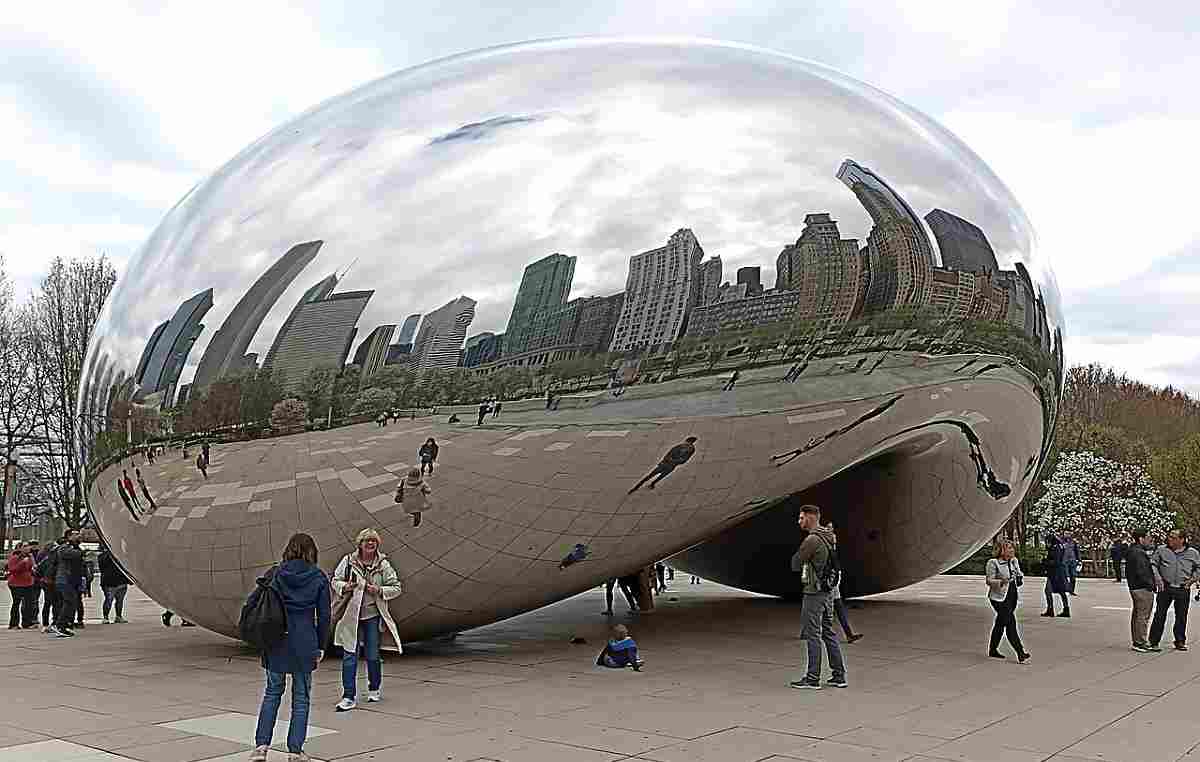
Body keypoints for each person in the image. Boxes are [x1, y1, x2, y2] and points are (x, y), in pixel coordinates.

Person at [249, 533, 331, 762]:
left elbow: (258, 600)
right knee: (302, 697)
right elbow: (324, 616)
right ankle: (295, 751)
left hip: (277, 639)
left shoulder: (275, 573)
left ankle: (261, 747)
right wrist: (321, 644)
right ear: (311, 551)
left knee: (272, 693)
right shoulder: (318, 577)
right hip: (305, 641)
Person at [331, 529, 403, 712]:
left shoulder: (383, 564)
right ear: (360, 544)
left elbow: (396, 587)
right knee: (350, 656)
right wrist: (345, 586)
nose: (370, 544)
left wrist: (378, 590)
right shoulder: (348, 561)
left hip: (372, 616)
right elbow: (335, 580)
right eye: (367, 541)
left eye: (374, 541)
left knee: (372, 655)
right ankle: (348, 696)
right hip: (351, 616)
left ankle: (374, 687)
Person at [789, 504, 847, 690]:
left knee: (812, 634)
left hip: (814, 592)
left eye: (801, 518)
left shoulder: (812, 539)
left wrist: (801, 556)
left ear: (811, 517)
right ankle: (839, 675)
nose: (799, 521)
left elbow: (795, 564)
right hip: (828, 592)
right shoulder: (829, 537)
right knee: (828, 632)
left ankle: (812, 678)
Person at [1148, 529, 1200, 652]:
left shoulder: (1192, 553)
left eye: (1173, 537)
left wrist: (1192, 580)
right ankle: (1154, 641)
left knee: (1181, 616)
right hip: (1165, 587)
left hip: (1183, 588)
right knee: (1160, 615)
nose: (1169, 539)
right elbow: (1153, 564)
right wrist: (1158, 579)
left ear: (1182, 539)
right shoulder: (1161, 550)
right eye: (1169, 537)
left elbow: (1198, 567)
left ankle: (1180, 641)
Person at [985, 540, 1030, 663]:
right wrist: (1001, 581)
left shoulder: (1014, 561)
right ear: (1001, 550)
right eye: (1008, 548)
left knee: (1000, 623)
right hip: (998, 597)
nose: (1011, 550)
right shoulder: (993, 563)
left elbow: (1019, 578)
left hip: (1012, 596)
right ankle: (1020, 652)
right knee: (1010, 622)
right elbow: (989, 581)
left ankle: (992, 649)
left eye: (1012, 548)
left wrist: (1019, 576)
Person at [628, 437, 698, 493]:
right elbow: (668, 454)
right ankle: (636, 487)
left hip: (671, 466)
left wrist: (674, 461)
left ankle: (652, 484)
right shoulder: (679, 446)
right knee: (649, 476)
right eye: (686, 442)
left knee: (661, 477)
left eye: (688, 443)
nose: (686, 444)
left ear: (691, 443)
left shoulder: (691, 450)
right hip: (664, 464)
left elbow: (684, 460)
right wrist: (667, 461)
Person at [1126, 528, 1158, 652]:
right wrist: (1151, 585)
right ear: (1141, 539)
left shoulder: (1133, 550)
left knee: (1138, 614)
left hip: (1135, 587)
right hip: (1142, 588)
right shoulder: (1138, 553)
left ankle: (1137, 641)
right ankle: (1141, 642)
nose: (1150, 540)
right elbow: (1142, 572)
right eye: (1148, 537)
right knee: (1143, 616)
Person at [52, 529, 84, 638]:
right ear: (69, 536)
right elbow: (71, 554)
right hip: (65, 580)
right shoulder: (64, 547)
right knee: (69, 602)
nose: (79, 536)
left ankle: (64, 626)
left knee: (72, 603)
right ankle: (60, 626)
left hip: (71, 580)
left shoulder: (75, 547)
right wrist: (81, 553)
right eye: (76, 534)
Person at [7, 542, 36, 629]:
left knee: (29, 604)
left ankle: (27, 623)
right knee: (16, 603)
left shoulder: (29, 557)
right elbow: (12, 570)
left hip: (28, 583)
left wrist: (32, 563)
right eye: (25, 546)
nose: (28, 548)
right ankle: (14, 624)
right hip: (16, 584)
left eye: (28, 546)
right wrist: (22, 562)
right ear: (19, 548)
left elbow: (31, 568)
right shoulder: (14, 557)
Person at [97, 546, 131, 623]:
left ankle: (118, 616)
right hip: (109, 583)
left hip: (121, 581)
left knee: (119, 601)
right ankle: (106, 617)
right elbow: (103, 566)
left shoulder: (121, 556)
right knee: (109, 600)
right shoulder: (103, 556)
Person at [1041, 533, 1071, 618]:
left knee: (1048, 591)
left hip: (1054, 573)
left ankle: (1050, 609)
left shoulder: (1055, 548)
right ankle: (1066, 609)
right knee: (1061, 591)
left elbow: (1055, 561)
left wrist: (1045, 561)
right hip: (1060, 572)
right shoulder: (1060, 546)